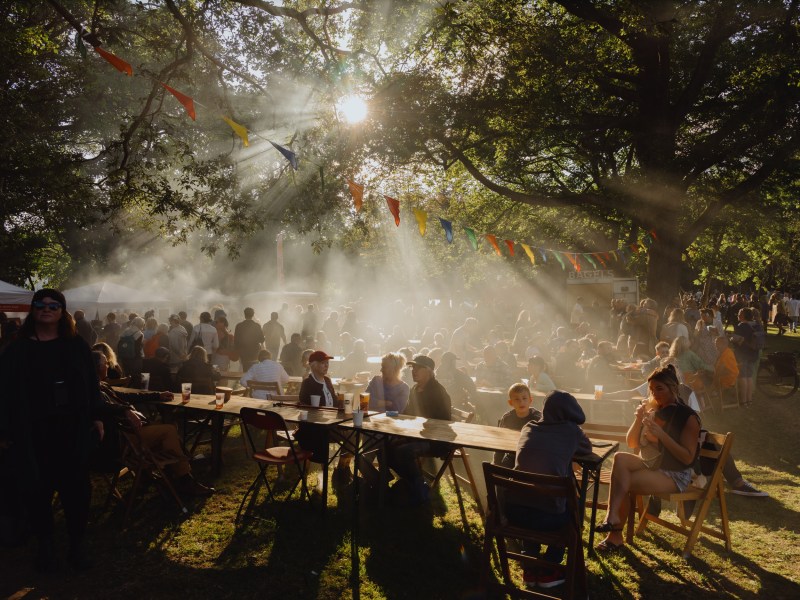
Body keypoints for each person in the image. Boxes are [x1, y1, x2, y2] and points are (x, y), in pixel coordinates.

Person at [0, 289, 103, 571]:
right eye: (41, 304)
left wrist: (96, 415)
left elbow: (91, 384)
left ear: (62, 311)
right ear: (33, 310)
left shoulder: (76, 346)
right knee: (37, 491)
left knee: (77, 491)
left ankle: (76, 547)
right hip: (32, 433)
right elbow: (4, 393)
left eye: (53, 305)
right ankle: (46, 548)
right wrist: (4, 432)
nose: (47, 309)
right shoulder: (17, 350)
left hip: (71, 430)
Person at [595, 365, 701, 552]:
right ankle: (612, 517)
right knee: (620, 457)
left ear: (673, 388)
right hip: (651, 465)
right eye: (651, 389)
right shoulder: (655, 411)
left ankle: (615, 536)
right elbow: (632, 443)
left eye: (659, 389)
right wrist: (638, 420)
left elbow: (687, 457)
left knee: (622, 483)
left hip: (674, 473)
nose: (655, 393)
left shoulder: (688, 417)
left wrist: (661, 435)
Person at [91, 351, 212, 497]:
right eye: (105, 363)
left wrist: (157, 395)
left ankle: (162, 475)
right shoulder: (92, 390)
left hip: (128, 433)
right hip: (122, 441)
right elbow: (101, 406)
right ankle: (184, 480)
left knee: (168, 426)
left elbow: (127, 396)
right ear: (96, 367)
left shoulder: (101, 385)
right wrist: (125, 410)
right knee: (168, 431)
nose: (108, 366)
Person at [504, 391, 591, 589]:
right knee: (574, 507)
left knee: (531, 496)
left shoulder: (529, 426)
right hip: (548, 519)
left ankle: (531, 564)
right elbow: (587, 450)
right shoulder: (571, 430)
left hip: (514, 513)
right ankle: (550, 567)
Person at [388, 355, 452, 503]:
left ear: (429, 371)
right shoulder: (415, 389)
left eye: (418, 368)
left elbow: (441, 423)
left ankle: (419, 489)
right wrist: (389, 414)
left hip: (436, 440)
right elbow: (407, 413)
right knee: (385, 446)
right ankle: (408, 483)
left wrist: (408, 435)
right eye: (412, 368)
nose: (413, 371)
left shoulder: (438, 392)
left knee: (402, 451)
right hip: (416, 435)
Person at [493, 383, 542, 468]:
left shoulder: (538, 418)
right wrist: (496, 463)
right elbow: (500, 443)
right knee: (498, 472)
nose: (521, 402)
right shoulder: (507, 418)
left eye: (524, 398)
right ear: (511, 402)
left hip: (532, 457)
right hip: (511, 456)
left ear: (530, 400)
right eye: (517, 399)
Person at [730, 307, 758, 407]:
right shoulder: (755, 325)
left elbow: (735, 341)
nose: (738, 314)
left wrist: (730, 338)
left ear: (743, 315)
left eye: (740, 313)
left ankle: (743, 401)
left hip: (742, 355)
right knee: (749, 377)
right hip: (753, 354)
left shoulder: (741, 326)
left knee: (743, 377)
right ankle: (749, 400)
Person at [117, 316, 145, 387]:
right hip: (135, 358)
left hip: (125, 357)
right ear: (141, 324)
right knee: (136, 376)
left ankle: (127, 387)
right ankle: (135, 390)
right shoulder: (139, 333)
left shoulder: (126, 331)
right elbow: (138, 348)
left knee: (127, 374)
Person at [234, 307, 264, 372]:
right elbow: (262, 339)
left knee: (245, 370)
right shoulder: (257, 326)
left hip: (243, 352)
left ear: (244, 315)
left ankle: (246, 381)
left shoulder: (239, 326)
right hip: (255, 352)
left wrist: (237, 351)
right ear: (253, 315)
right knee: (254, 370)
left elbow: (236, 340)